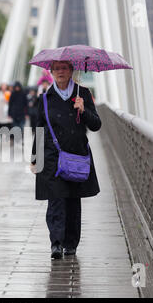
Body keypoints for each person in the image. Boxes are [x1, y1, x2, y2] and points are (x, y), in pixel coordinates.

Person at [30, 60, 101, 259]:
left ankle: (71, 243)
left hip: (76, 155)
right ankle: (56, 243)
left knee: (72, 201)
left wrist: (83, 110)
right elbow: (39, 130)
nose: (60, 71)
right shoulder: (45, 98)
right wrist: (35, 159)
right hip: (52, 156)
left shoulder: (83, 94)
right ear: (51, 72)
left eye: (64, 68)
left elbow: (96, 125)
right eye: (57, 68)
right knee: (55, 200)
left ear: (71, 71)